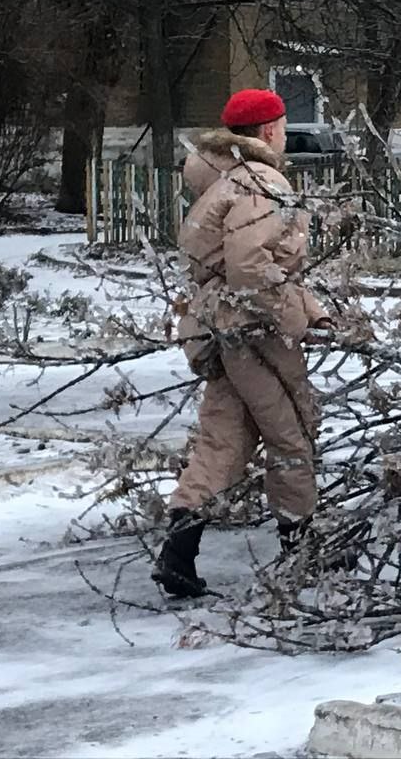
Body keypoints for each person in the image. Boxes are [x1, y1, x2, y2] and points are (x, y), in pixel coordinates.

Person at [153, 88, 332, 599]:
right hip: (255, 330)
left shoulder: (225, 180)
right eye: (279, 123)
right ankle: (299, 551)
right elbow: (251, 268)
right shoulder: (261, 180)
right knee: (292, 433)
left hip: (222, 325)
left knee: (223, 439)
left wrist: (314, 312)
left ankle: (178, 555)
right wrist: (293, 319)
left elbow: (244, 267)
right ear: (269, 130)